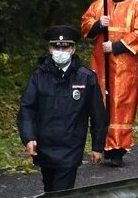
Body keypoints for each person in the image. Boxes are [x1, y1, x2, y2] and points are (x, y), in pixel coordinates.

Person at [18, 25, 107, 192]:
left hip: (71, 147)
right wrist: (29, 137)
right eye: (56, 47)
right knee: (50, 188)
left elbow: (97, 114)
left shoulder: (86, 77)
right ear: (50, 48)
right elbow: (27, 109)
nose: (60, 50)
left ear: (72, 49)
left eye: (65, 46)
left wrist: (97, 146)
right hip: (45, 146)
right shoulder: (39, 75)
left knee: (62, 191)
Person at [79, 0, 138, 167]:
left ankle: (118, 149)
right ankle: (101, 144)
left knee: (121, 104)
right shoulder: (101, 4)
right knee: (100, 102)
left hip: (125, 67)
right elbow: (85, 26)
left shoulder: (137, 7)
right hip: (101, 64)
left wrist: (117, 46)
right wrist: (99, 25)